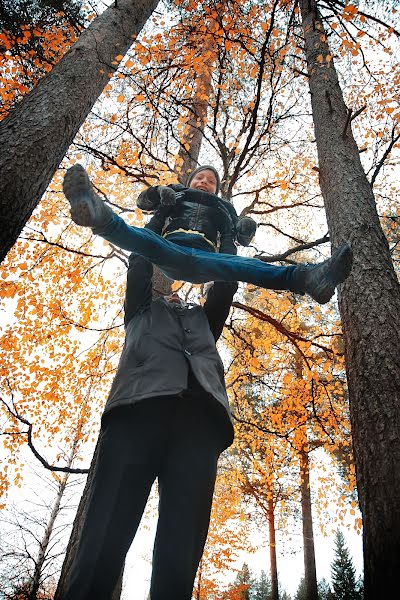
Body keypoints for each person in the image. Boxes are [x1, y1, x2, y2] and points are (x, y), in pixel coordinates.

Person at [62, 254, 239, 600]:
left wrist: (227, 234)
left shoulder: (204, 321)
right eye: (169, 295)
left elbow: (226, 283)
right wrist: (161, 213)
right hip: (136, 415)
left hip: (199, 424)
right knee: (103, 538)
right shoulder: (140, 311)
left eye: (181, 297)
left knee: (181, 549)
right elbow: (140, 262)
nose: (175, 297)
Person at [63, 164, 353, 304]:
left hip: (206, 259)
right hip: (170, 250)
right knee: (142, 239)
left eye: (210, 180)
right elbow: (144, 203)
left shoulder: (225, 208)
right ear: (190, 181)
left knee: (248, 266)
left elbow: (237, 240)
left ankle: (309, 277)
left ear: (216, 187)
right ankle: (96, 213)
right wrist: (158, 192)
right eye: (199, 178)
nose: (204, 182)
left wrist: (244, 227)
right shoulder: (176, 192)